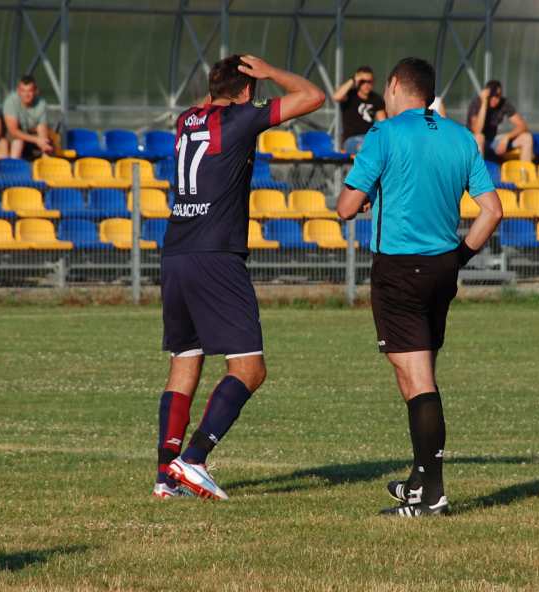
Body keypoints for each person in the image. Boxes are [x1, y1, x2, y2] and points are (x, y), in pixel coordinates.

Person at [153, 55, 325, 500]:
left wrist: (222, 85)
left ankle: (165, 477)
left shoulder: (186, 119)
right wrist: (271, 72)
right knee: (249, 367)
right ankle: (192, 460)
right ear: (247, 91)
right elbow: (313, 97)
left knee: (184, 361)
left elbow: (211, 103)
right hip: (215, 256)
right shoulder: (242, 118)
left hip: (176, 253)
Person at [337, 57, 502, 517]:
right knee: (413, 369)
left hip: (398, 269)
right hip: (441, 270)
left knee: (417, 377)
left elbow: (346, 207)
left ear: (393, 87)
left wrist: (367, 184)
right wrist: (459, 258)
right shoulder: (459, 135)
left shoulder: (384, 134)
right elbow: (492, 211)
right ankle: (418, 479)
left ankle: (433, 495)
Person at [466, 80, 533, 161]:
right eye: (492, 95)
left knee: (527, 137)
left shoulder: (503, 103)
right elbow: (477, 131)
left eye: (497, 96)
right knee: (480, 137)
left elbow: (522, 126)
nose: (494, 99)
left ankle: (524, 171)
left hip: (492, 141)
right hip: (473, 144)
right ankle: (479, 173)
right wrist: (484, 102)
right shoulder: (477, 103)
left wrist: (506, 137)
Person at [333, 66, 385, 154]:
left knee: (382, 146)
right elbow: (336, 97)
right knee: (366, 147)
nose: (366, 84)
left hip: (369, 138)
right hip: (351, 140)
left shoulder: (376, 99)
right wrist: (353, 79)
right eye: (362, 81)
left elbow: (383, 123)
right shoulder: (350, 95)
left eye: (369, 81)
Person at [3, 75, 53, 160]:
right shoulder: (10, 101)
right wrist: (37, 140)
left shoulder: (41, 103)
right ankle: (13, 170)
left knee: (47, 145)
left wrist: (44, 143)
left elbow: (42, 128)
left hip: (31, 135)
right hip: (10, 137)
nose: (26, 94)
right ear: (18, 91)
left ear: (35, 91)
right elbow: (13, 131)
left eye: (30, 91)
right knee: (18, 142)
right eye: (23, 91)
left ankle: (45, 168)